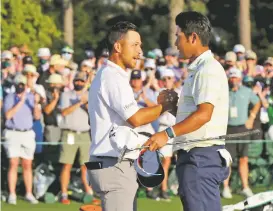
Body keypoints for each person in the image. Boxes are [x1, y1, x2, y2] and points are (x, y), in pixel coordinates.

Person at [86, 21, 178, 211]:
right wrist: (165, 106)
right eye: (135, 45)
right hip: (114, 166)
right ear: (117, 46)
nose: (140, 51)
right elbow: (135, 118)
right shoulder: (112, 76)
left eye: (140, 45)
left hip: (112, 163)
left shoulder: (110, 74)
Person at [144, 11, 231, 211]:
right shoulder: (198, 69)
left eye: (178, 36)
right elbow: (196, 116)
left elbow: (204, 115)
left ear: (193, 37)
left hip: (200, 156)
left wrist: (166, 134)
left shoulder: (207, 69)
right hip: (194, 157)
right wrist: (174, 107)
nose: (176, 43)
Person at [222, 68, 261, 199]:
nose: (234, 80)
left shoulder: (247, 91)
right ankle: (226, 187)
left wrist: (252, 117)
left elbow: (257, 102)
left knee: (244, 158)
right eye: (231, 77)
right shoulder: (224, 91)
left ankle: (245, 187)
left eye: (236, 78)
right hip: (228, 128)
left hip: (243, 128)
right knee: (227, 159)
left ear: (240, 79)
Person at [3, 74, 41, 205]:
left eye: (22, 84)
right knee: (13, 163)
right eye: (18, 84)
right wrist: (20, 102)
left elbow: (37, 116)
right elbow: (8, 115)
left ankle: (29, 193)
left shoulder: (31, 97)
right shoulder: (9, 97)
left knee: (27, 164)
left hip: (27, 133)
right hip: (13, 133)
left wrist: (35, 103)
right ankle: (12, 194)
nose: (20, 86)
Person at [58, 72, 92, 204]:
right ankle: (64, 194)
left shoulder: (88, 96)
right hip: (69, 133)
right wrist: (79, 102)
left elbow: (94, 113)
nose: (79, 83)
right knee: (67, 164)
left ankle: (89, 193)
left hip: (84, 134)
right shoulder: (66, 95)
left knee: (86, 166)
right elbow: (64, 112)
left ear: (84, 82)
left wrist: (86, 103)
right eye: (77, 80)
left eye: (81, 81)